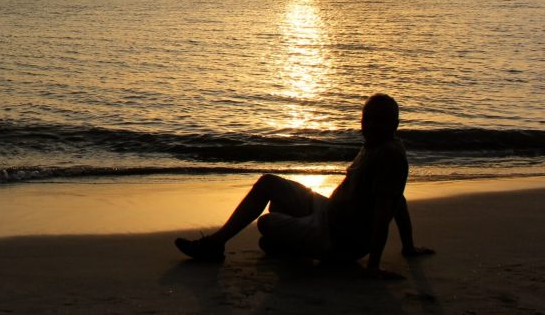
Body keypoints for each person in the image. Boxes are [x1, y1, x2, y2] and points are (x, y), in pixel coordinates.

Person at [174, 93, 434, 278]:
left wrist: (373, 266)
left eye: (380, 120)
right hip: (328, 212)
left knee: (267, 223)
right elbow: (400, 198)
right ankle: (218, 243)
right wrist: (408, 247)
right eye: (368, 119)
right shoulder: (374, 145)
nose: (371, 126)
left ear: (394, 125)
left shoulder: (389, 155)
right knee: (268, 185)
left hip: (338, 239)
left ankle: (279, 244)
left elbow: (386, 209)